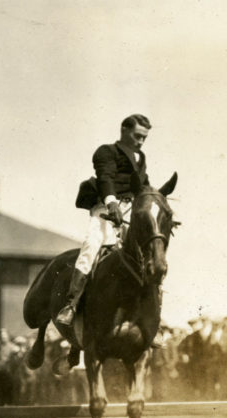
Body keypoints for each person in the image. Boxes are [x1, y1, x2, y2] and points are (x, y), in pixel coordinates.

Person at [56, 114, 152, 326]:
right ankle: (71, 304)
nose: (141, 141)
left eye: (144, 138)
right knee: (91, 245)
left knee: (150, 251)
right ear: (124, 130)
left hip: (130, 209)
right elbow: (105, 177)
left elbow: (143, 185)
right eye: (137, 136)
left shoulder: (141, 158)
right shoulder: (107, 152)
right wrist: (111, 203)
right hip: (106, 208)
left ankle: (151, 314)